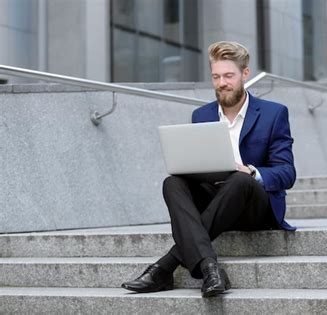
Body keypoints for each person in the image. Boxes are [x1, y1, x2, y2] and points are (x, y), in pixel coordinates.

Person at [121, 41, 296, 298]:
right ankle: (209, 267)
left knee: (240, 180)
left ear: (245, 74)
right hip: (215, 199)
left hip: (254, 205)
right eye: (216, 77)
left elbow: (287, 173)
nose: (222, 83)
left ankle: (165, 266)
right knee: (173, 182)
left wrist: (252, 172)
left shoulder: (273, 114)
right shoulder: (201, 115)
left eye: (228, 76)